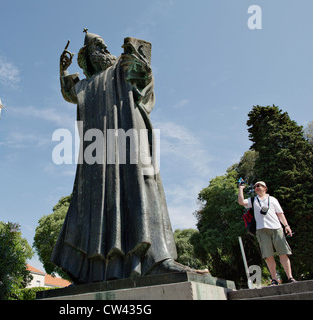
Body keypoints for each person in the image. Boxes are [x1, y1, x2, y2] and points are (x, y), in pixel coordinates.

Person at [51, 30, 207, 284]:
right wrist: (62, 71)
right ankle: (94, 270)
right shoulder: (87, 86)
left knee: (141, 187)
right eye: (95, 49)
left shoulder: (122, 69)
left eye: (102, 47)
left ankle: (156, 259)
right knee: (94, 203)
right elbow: (70, 92)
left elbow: (143, 79)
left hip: (129, 140)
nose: (101, 52)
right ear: (88, 59)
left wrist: (139, 61)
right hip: (97, 156)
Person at [238, 181, 296, 285]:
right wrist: (241, 189)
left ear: (265, 188)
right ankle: (274, 279)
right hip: (261, 230)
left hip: (276, 228)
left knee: (283, 253)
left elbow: (280, 213)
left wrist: (286, 226)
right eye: (255, 186)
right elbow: (241, 202)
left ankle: (290, 277)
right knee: (268, 256)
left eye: (258, 185)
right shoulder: (253, 200)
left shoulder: (273, 199)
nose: (256, 187)